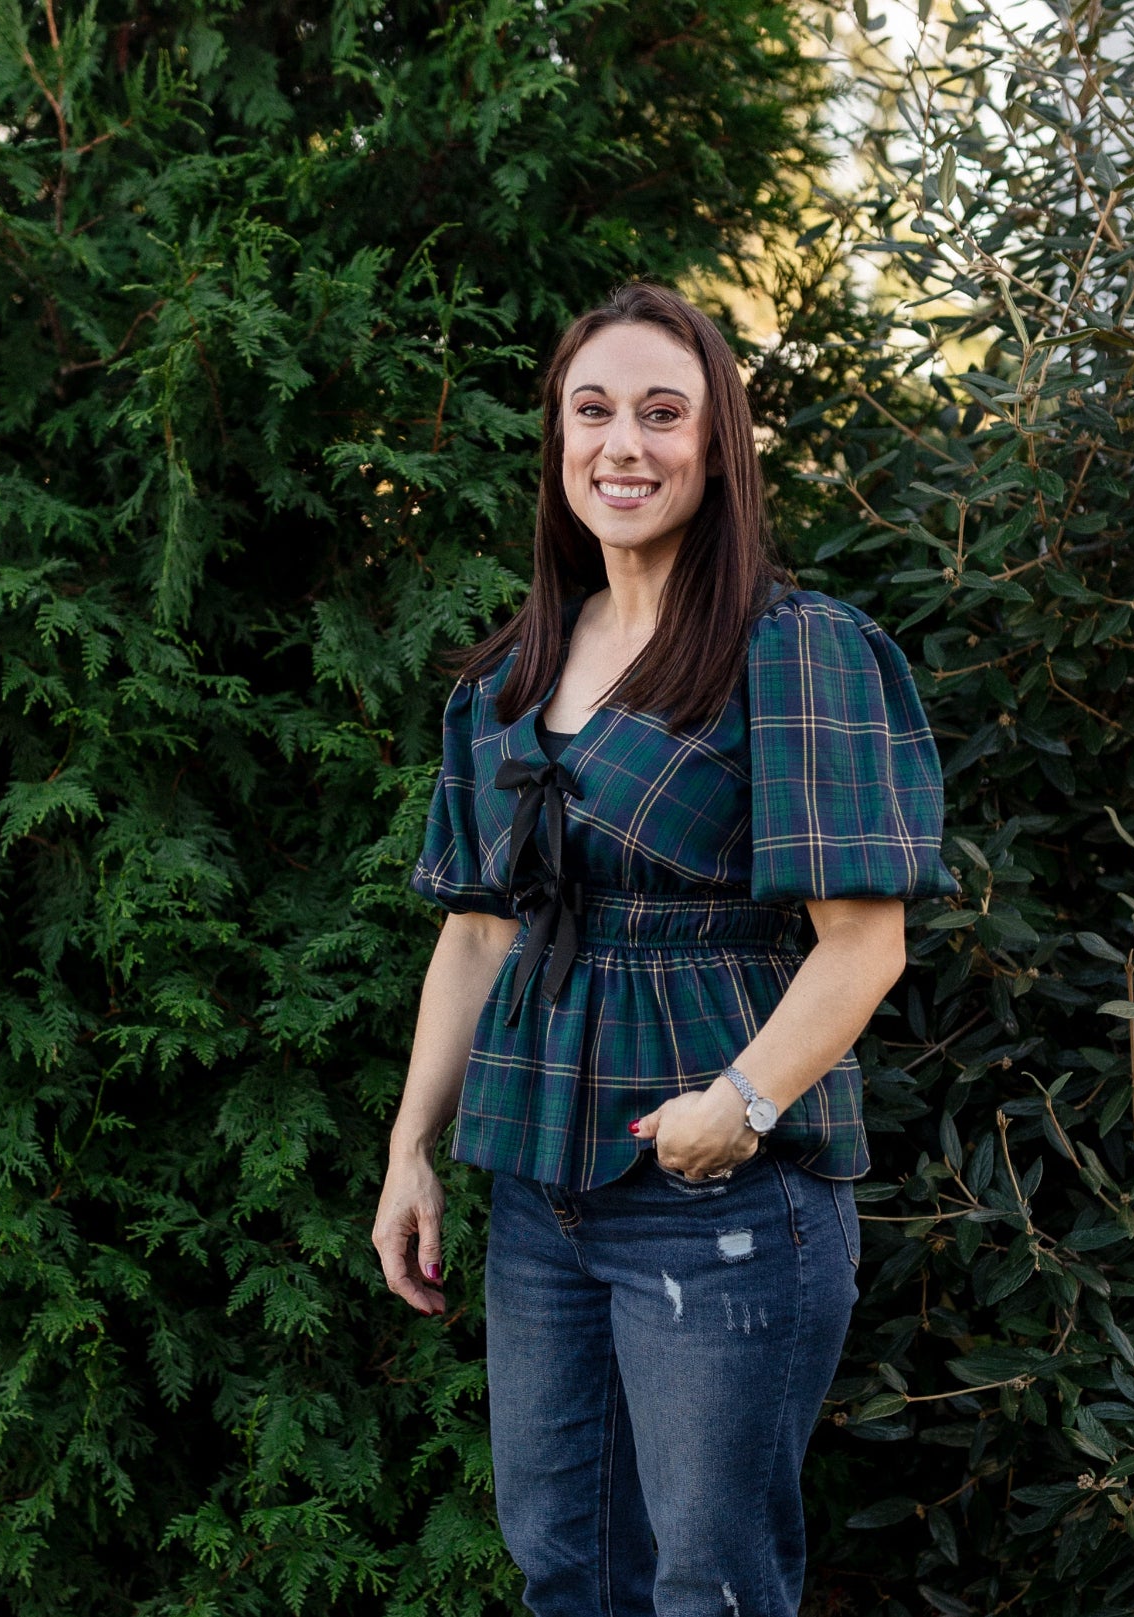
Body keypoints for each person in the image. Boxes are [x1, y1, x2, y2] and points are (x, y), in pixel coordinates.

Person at [372, 282, 957, 1617]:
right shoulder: (509, 677)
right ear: (558, 442)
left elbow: (863, 943)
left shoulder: (794, 653)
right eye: (593, 412)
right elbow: (478, 932)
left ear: (715, 444)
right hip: (538, 1194)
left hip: (720, 1198)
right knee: (565, 1564)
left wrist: (738, 1105)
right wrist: (412, 1147)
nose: (622, 445)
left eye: (661, 413)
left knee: (710, 1585)